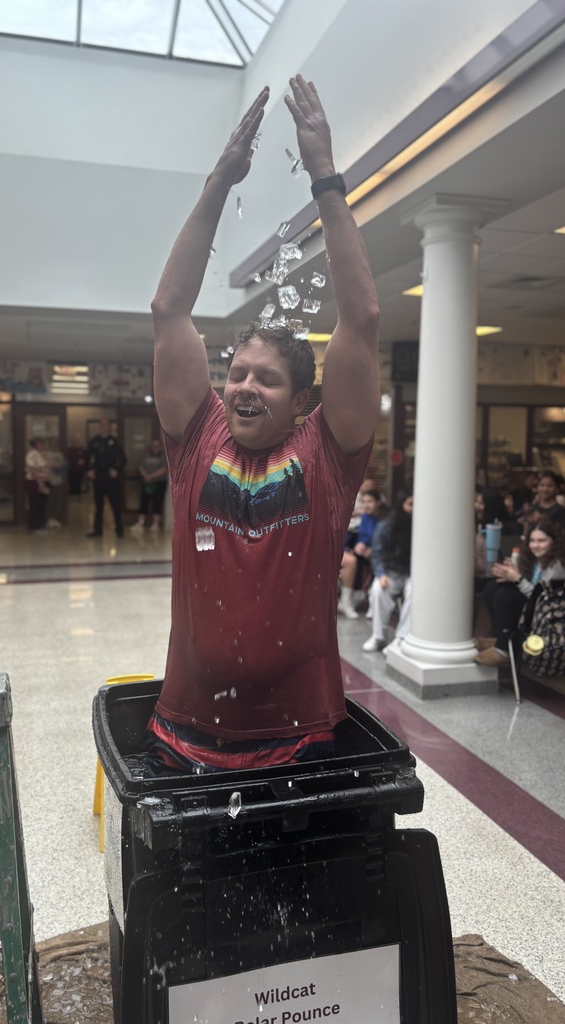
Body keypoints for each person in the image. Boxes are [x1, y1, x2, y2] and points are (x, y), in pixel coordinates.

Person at [144, 77, 379, 775]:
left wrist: (325, 178)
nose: (244, 385)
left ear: (303, 400)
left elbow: (361, 320)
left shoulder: (327, 455)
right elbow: (168, 310)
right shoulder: (197, 439)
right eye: (237, 373)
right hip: (184, 730)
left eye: (266, 378)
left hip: (300, 735)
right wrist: (220, 180)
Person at [474, 517, 565, 667]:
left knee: (504, 596)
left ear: (555, 541)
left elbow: (543, 598)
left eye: (541, 541)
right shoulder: (538, 560)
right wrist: (512, 575)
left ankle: (503, 649)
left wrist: (518, 579)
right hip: (535, 605)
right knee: (492, 587)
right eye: (532, 541)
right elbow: (532, 587)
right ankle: (502, 638)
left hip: (550, 613)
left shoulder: (559, 566)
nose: (535, 545)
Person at [362, 492, 413, 652]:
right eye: (410, 504)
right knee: (378, 590)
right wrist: (381, 574)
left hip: (413, 574)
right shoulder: (386, 526)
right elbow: (377, 554)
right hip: (391, 572)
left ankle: (401, 637)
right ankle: (378, 636)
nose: (413, 509)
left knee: (415, 592)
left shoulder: (422, 525)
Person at [339, 488, 382, 618]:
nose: (366, 505)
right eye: (363, 502)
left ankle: (349, 600)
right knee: (352, 560)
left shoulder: (383, 519)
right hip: (362, 554)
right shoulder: (362, 517)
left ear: (378, 502)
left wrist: (373, 549)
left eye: (370, 501)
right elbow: (354, 538)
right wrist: (357, 546)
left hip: (379, 554)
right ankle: (346, 600)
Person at [86, 419, 127, 538]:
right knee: (98, 505)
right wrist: (89, 470)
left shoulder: (115, 442)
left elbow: (123, 459)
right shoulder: (94, 442)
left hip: (111, 478)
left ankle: (119, 529)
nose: (104, 427)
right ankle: (97, 530)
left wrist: (117, 470)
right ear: (99, 427)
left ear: (109, 427)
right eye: (102, 425)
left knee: (115, 504)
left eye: (106, 425)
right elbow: (87, 458)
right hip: (98, 478)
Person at [131, 438, 169, 530]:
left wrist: (151, 476)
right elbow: (140, 467)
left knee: (157, 503)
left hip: (159, 482)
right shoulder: (145, 456)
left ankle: (155, 524)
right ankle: (140, 523)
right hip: (146, 483)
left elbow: (164, 469)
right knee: (144, 502)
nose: (155, 448)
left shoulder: (164, 456)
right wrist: (146, 476)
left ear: (160, 447)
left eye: (157, 446)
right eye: (153, 446)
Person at [24, 437, 50, 534]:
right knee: (35, 504)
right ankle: (34, 526)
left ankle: (40, 525)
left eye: (43, 443)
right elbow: (32, 469)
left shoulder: (41, 454)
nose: (42, 445)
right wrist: (40, 484)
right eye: (40, 443)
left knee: (42, 505)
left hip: (44, 481)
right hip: (36, 483)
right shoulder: (32, 454)